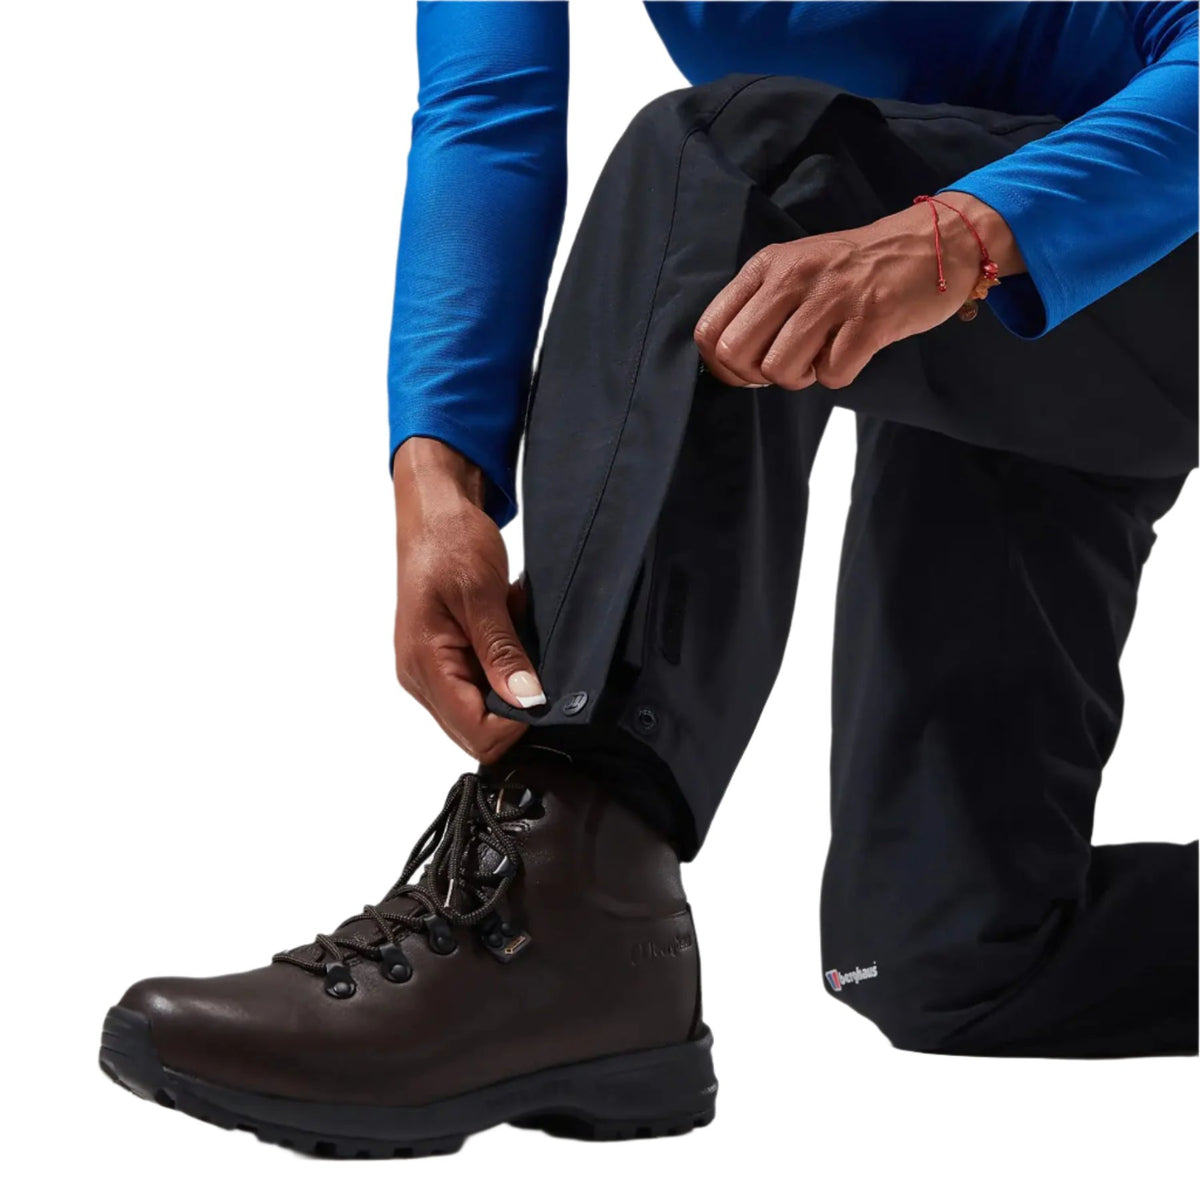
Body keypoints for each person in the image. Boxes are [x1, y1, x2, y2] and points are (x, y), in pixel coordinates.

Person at [100, 1, 1199, 1157]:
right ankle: (594, 949)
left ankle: (575, 901)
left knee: (738, 163)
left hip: (1105, 231)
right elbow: (488, 109)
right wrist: (437, 477)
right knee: (952, 952)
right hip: (1021, 308)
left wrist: (968, 233)